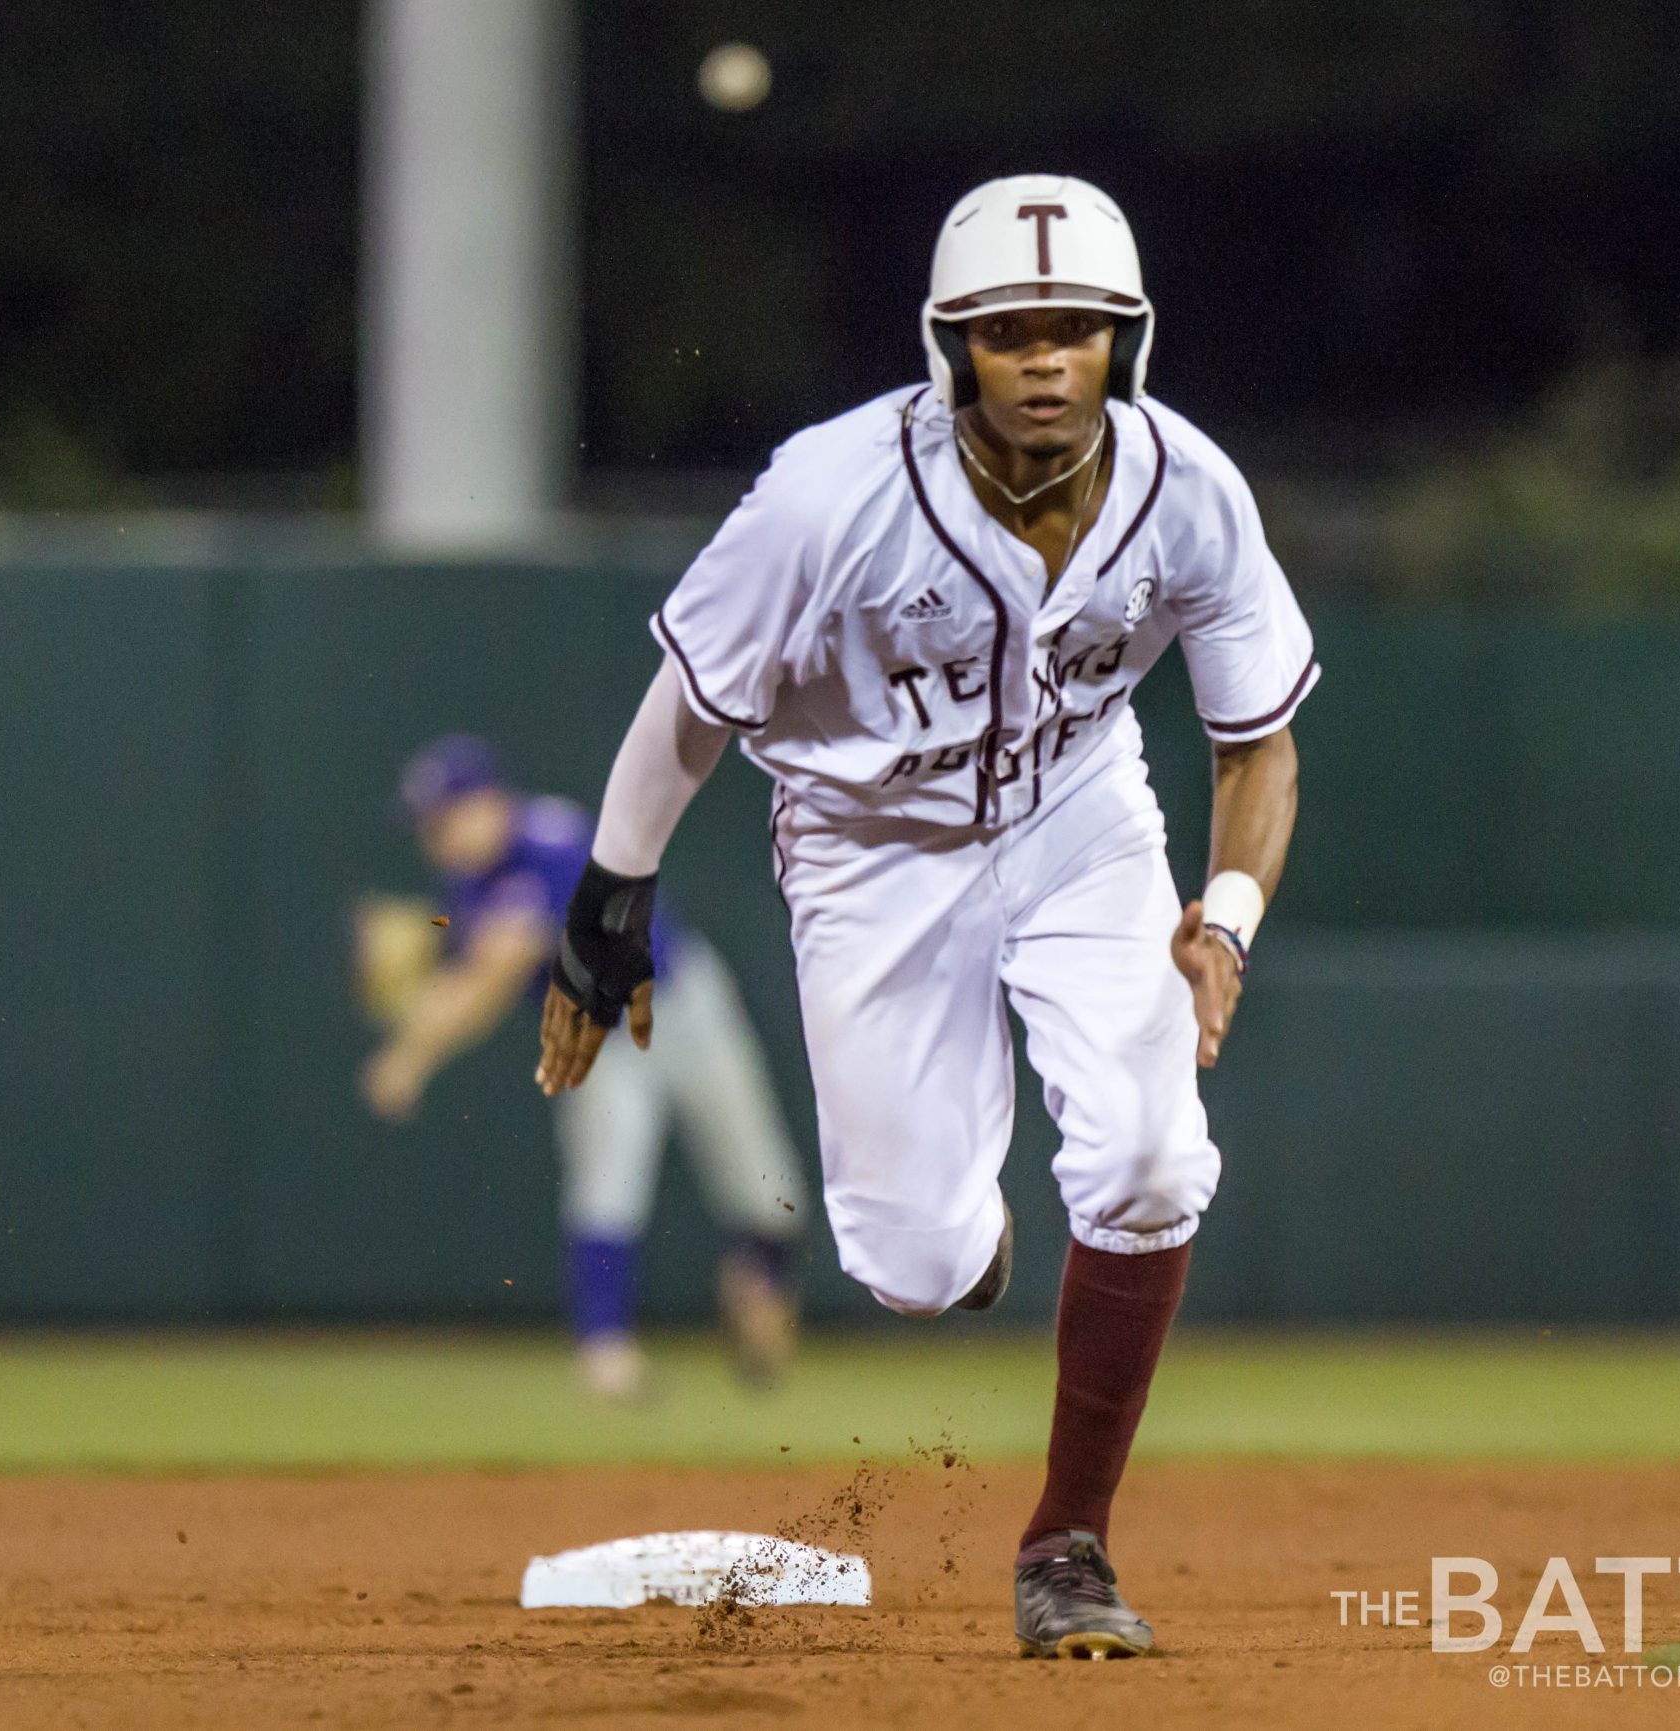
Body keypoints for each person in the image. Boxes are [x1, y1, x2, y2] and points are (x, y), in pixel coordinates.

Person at [535, 174, 1312, 1658]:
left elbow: (1255, 738)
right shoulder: (830, 492)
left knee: (1153, 1155)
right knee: (911, 1263)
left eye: (1073, 329)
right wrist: (612, 891)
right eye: (1006, 329)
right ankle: (970, 1238)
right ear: (950, 343)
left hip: (1085, 816)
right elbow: (693, 700)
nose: (1041, 357)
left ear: (1122, 345)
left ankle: (1067, 1542)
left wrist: (1223, 914)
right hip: (868, 844)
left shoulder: (1188, 488)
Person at [358, 734, 808, 1401]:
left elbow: (493, 975)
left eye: (444, 817)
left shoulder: (552, 844)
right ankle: (605, 1350)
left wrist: (408, 1054)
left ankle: (759, 1278)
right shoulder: (469, 878)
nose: (435, 836)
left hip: (685, 1009)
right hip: (600, 1037)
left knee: (768, 1190)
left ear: (488, 803)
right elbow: (479, 972)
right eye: (427, 824)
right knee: (605, 1185)